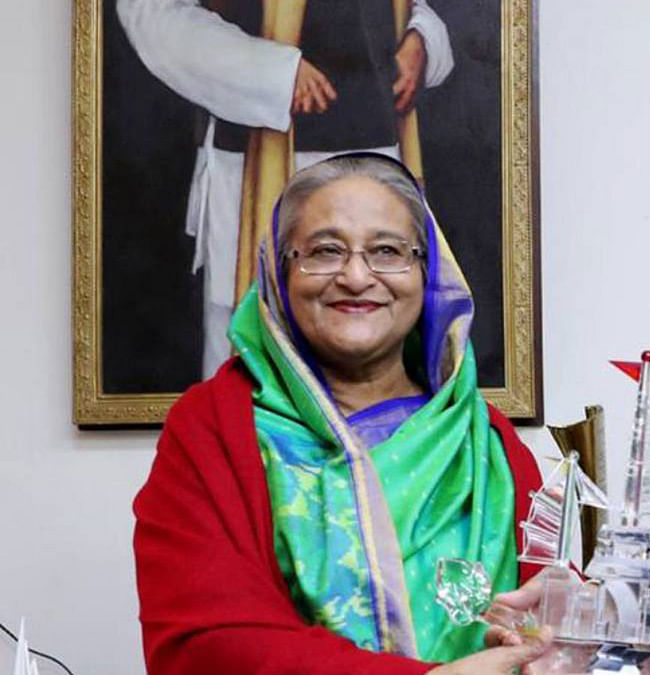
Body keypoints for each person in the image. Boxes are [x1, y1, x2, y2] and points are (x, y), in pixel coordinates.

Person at [133, 153, 550, 674]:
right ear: (279, 273)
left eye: (387, 251)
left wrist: (566, 627)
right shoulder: (216, 428)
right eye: (325, 251)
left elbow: (543, 621)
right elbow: (202, 644)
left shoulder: (486, 441)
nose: (356, 276)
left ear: (428, 273)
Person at [116, 0, 455, 377]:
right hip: (258, 172)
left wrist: (422, 39)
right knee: (250, 390)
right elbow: (151, 14)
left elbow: (409, 11)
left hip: (378, 167)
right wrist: (273, 72)